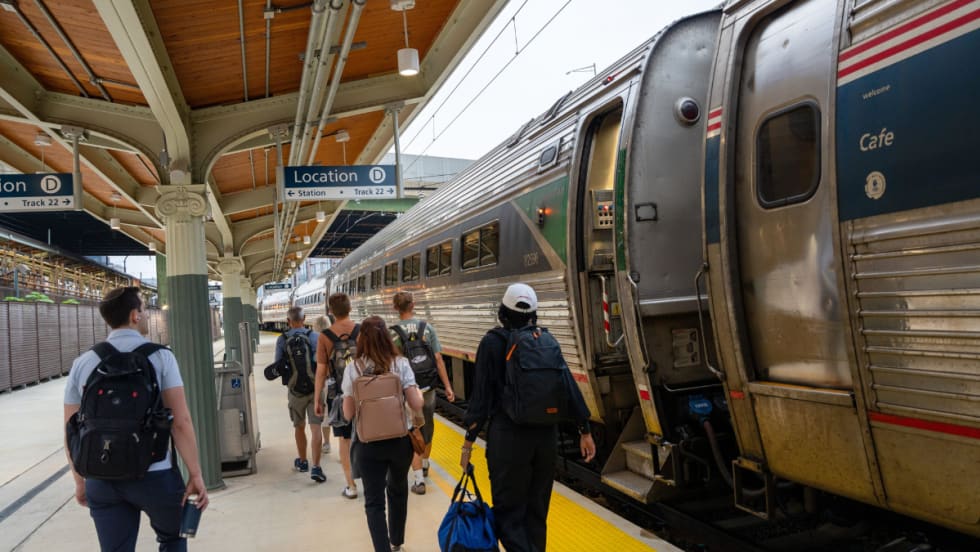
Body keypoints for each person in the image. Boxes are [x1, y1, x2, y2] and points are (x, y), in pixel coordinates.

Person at [64, 286, 209, 551]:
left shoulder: (83, 363)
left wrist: (80, 479)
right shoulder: (161, 357)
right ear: (135, 315)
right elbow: (180, 422)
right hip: (155, 475)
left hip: (102, 477)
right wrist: (196, 473)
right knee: (173, 539)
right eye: (143, 308)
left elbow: (71, 429)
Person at [460, 283, 596, 552]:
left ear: (502, 311)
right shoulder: (544, 340)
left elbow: (481, 399)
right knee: (536, 512)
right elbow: (567, 385)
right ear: (533, 313)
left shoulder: (492, 342)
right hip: (545, 439)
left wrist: (468, 442)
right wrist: (585, 430)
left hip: (508, 440)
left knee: (509, 515)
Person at [342, 316, 424, 552]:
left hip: (369, 445)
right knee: (398, 491)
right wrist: (415, 390)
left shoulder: (353, 368)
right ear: (387, 337)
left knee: (374, 502)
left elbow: (347, 414)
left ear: (362, 340)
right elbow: (416, 404)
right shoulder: (401, 364)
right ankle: (396, 542)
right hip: (399, 442)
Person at [389, 291, 455, 495]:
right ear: (413, 305)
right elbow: (438, 359)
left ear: (395, 308)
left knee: (413, 430)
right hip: (428, 389)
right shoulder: (427, 329)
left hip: (406, 390)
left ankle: (418, 480)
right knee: (427, 428)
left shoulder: (392, 333)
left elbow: (392, 364)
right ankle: (425, 463)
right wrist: (448, 386)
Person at [314, 293, 359, 498]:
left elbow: (321, 371)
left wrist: (317, 399)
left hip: (338, 394)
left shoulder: (325, 336)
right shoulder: (361, 331)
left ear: (331, 311)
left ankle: (350, 486)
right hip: (364, 391)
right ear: (350, 308)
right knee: (366, 436)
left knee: (344, 439)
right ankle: (368, 478)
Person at [275, 306, 325, 482]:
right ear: (304, 319)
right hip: (315, 389)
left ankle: (303, 461)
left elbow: (278, 367)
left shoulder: (282, 340)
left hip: (295, 391)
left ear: (288, 321)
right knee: (316, 427)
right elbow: (322, 364)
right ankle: (317, 467)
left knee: (299, 426)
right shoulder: (315, 337)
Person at [311, 314, 333, 455]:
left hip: (321, 381)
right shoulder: (334, 339)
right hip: (334, 381)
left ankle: (323, 442)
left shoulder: (315, 341)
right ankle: (330, 442)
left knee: (322, 413)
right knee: (332, 413)